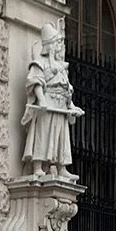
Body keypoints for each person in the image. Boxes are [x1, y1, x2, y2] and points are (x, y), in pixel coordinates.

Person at [21, 23, 83, 178]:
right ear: (49, 45)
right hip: (48, 104)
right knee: (44, 132)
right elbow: (36, 82)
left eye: (59, 43)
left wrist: (72, 107)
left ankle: (61, 167)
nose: (59, 46)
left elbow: (67, 89)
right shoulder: (40, 63)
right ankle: (38, 165)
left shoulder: (62, 67)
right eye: (56, 43)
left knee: (62, 136)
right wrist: (41, 100)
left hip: (61, 105)